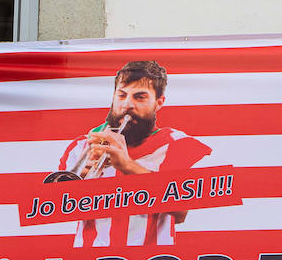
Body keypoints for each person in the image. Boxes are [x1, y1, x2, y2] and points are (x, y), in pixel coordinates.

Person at [53, 60, 212, 248]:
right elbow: (55, 209)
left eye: (140, 97)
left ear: (159, 103)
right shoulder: (81, 146)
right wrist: (81, 187)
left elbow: (180, 213)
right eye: (121, 95)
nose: (127, 105)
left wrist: (128, 166)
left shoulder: (178, 144)